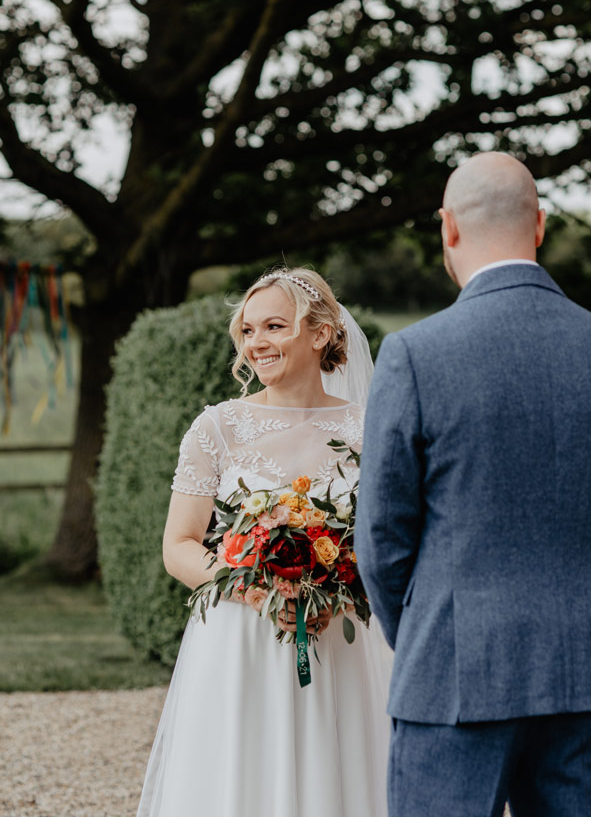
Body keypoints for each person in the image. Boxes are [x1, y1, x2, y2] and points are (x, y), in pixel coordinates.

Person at [357, 154, 591, 817]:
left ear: (448, 228)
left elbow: (380, 538)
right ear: (541, 225)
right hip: (589, 662)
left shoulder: (415, 353)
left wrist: (425, 636)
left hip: (456, 665)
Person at [139, 268, 390, 817]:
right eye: (248, 331)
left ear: (320, 332)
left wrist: (338, 587)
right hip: (239, 641)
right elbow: (179, 545)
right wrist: (253, 589)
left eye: (274, 326)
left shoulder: (369, 430)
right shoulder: (216, 429)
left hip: (337, 641)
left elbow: (384, 544)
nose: (256, 343)